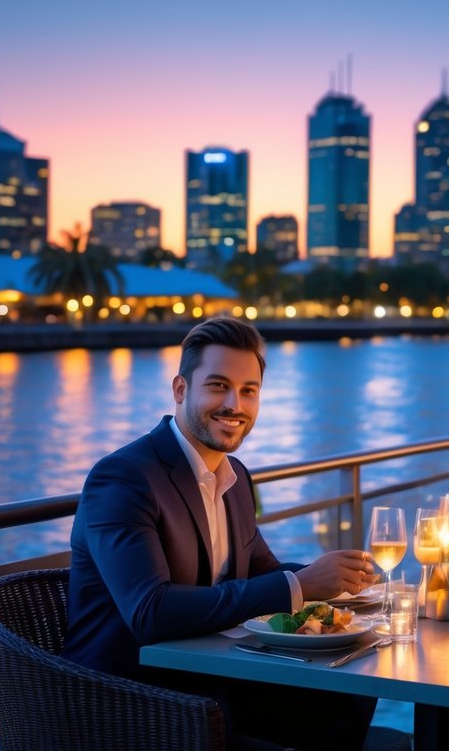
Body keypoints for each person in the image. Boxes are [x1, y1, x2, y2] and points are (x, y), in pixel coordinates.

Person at [63, 317, 378, 751]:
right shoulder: (125, 477)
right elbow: (150, 611)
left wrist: (340, 583)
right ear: (180, 390)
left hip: (213, 680)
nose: (236, 404)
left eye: (249, 390)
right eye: (218, 386)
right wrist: (300, 585)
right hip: (130, 701)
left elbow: (263, 571)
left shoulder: (234, 477)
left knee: (351, 691)